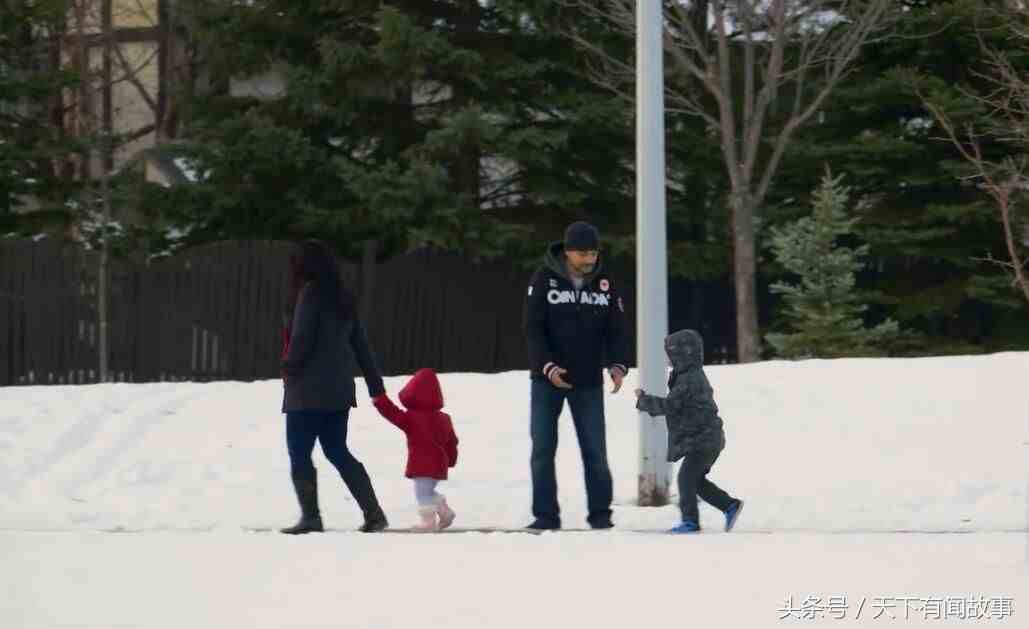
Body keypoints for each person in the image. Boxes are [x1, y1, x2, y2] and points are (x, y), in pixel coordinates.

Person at [522, 221, 629, 530]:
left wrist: (618, 364)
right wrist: (547, 366)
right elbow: (532, 329)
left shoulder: (604, 282)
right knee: (542, 448)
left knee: (595, 449)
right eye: (583, 253)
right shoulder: (544, 279)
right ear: (568, 252)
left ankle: (600, 515)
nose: (589, 259)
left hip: (587, 382)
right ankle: (545, 516)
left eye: (593, 253)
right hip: (546, 381)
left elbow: (616, 329)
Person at [279, 240, 389, 534]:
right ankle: (374, 513)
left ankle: (311, 517)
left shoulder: (309, 294)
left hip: (306, 391)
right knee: (338, 450)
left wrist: (288, 367)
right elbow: (361, 346)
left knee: (299, 452)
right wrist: (375, 385)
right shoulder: (343, 298)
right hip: (339, 390)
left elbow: (301, 340)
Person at [635, 329, 743, 534]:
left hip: (704, 440)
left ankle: (690, 521)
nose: (669, 360)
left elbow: (670, 406)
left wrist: (644, 401)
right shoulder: (688, 375)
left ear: (683, 354)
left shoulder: (689, 379)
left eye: (672, 355)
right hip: (708, 439)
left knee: (685, 478)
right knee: (697, 482)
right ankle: (730, 505)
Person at [372, 368, 459, 531]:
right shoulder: (444, 418)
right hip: (439, 465)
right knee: (428, 491)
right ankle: (445, 512)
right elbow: (452, 442)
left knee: (422, 494)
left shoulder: (412, 417)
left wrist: (379, 399)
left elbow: (392, 413)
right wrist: (451, 460)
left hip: (421, 465)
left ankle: (428, 523)